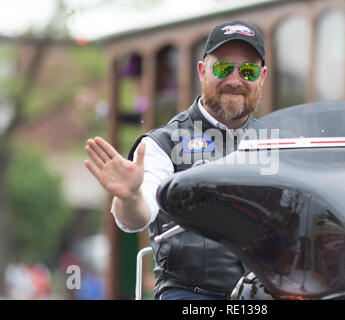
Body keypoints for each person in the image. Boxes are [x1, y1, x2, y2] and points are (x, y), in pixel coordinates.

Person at [84, 19, 270, 300]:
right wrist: (130, 196)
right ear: (201, 71)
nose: (235, 80)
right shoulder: (162, 143)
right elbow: (136, 217)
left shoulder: (279, 142)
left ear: (262, 76)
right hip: (192, 295)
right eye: (222, 68)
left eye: (247, 70)